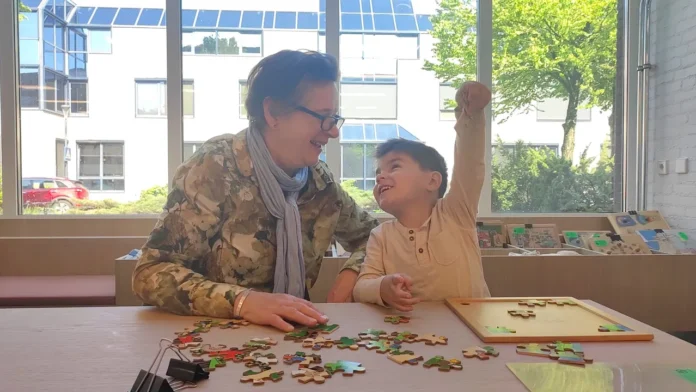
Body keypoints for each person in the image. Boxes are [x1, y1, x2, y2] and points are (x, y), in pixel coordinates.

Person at [132, 50, 379, 331]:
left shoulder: (319, 183)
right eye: (323, 117)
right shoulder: (215, 167)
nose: (333, 132)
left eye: (334, 118)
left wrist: (350, 273)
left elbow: (374, 238)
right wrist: (242, 302)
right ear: (273, 112)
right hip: (210, 344)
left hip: (290, 344)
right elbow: (150, 273)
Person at [352, 81, 492, 311]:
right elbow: (361, 286)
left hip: (473, 335)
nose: (380, 177)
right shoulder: (381, 235)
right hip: (410, 339)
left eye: (394, 167)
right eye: (378, 173)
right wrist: (382, 287)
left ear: (432, 181)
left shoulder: (456, 213)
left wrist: (471, 114)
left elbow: (470, 161)